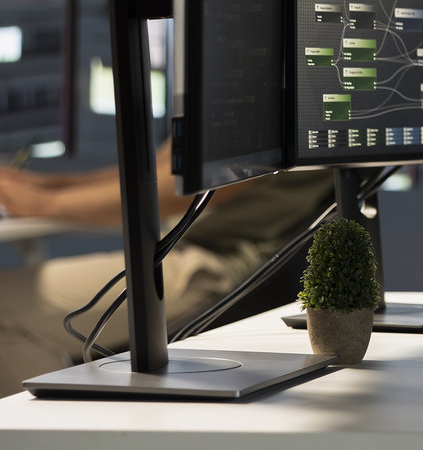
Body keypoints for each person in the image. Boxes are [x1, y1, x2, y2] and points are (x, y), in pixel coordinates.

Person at [0, 142, 333, 396]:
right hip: (182, 251)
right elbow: (160, 168)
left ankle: (54, 444)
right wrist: (41, 187)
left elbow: (179, 186)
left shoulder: (259, 75)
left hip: (211, 263)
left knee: (4, 308)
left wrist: (41, 202)